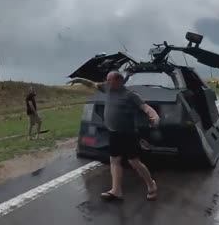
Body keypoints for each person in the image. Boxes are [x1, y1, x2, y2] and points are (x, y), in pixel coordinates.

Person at [68, 71, 160, 201]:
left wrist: (154, 116)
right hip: (114, 133)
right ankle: (116, 191)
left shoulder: (130, 95)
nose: (107, 82)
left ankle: (151, 185)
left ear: (119, 81)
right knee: (114, 160)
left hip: (128, 134)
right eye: (107, 80)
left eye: (110, 80)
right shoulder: (107, 88)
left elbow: (146, 108)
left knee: (134, 162)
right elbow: (92, 84)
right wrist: (79, 80)